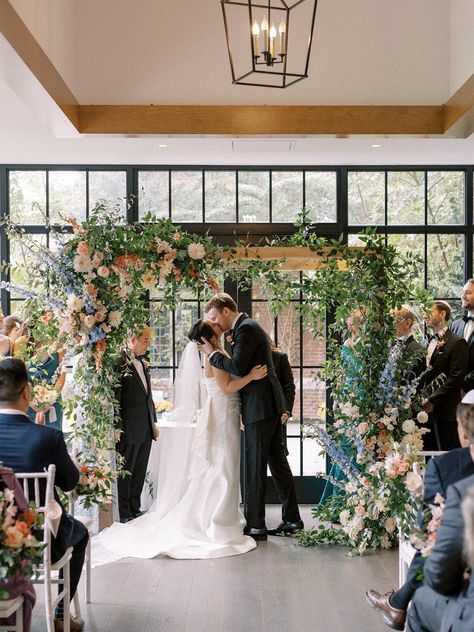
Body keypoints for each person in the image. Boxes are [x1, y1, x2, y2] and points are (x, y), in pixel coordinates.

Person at [92, 319, 265, 563]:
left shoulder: (216, 352)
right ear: (210, 336)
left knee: (223, 465)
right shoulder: (212, 356)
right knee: (220, 466)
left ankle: (223, 515)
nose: (219, 325)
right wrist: (252, 376)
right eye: (215, 325)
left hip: (227, 412)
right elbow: (226, 388)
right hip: (223, 412)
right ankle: (216, 520)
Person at [366, 398, 474, 630]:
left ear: (462, 430)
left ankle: (399, 604)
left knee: (422, 600)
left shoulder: (446, 469)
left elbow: (428, 549)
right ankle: (397, 603)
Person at [201, 293, 302, 541]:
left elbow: (236, 367)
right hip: (265, 406)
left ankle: (256, 525)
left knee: (255, 466)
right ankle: (292, 520)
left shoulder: (246, 329)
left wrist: (211, 353)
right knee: (277, 464)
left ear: (226, 311)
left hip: (260, 407)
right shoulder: (246, 328)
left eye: (215, 317)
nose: (215, 323)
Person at [0, 357, 88, 632]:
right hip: (38, 541)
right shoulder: (48, 437)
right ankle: (60, 615)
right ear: (26, 391)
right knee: (80, 532)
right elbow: (70, 482)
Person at [115, 325, 158, 523]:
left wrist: (153, 422)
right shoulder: (120, 362)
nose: (148, 344)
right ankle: (124, 513)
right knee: (126, 472)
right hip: (128, 427)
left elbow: (148, 397)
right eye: (145, 340)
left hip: (145, 427)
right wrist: (117, 426)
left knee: (139, 470)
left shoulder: (143, 363)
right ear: (132, 339)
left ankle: (135, 508)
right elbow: (116, 397)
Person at [421, 300, 468, 450]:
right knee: (427, 457)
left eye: (429, 312)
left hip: (446, 412)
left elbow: (456, 377)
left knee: (446, 456)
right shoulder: (424, 343)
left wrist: (433, 400)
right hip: (423, 412)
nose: (424, 316)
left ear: (442, 314)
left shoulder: (457, 342)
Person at [269, 338, 296, 456]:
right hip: (257, 416)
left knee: (279, 456)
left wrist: (286, 412)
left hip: (278, 414)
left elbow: (289, 387)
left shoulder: (280, 358)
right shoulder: (251, 359)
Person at [451, 278, 474, 379]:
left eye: (468, 293)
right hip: (454, 391)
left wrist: (466, 386)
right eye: (463, 292)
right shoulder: (454, 325)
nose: (463, 296)